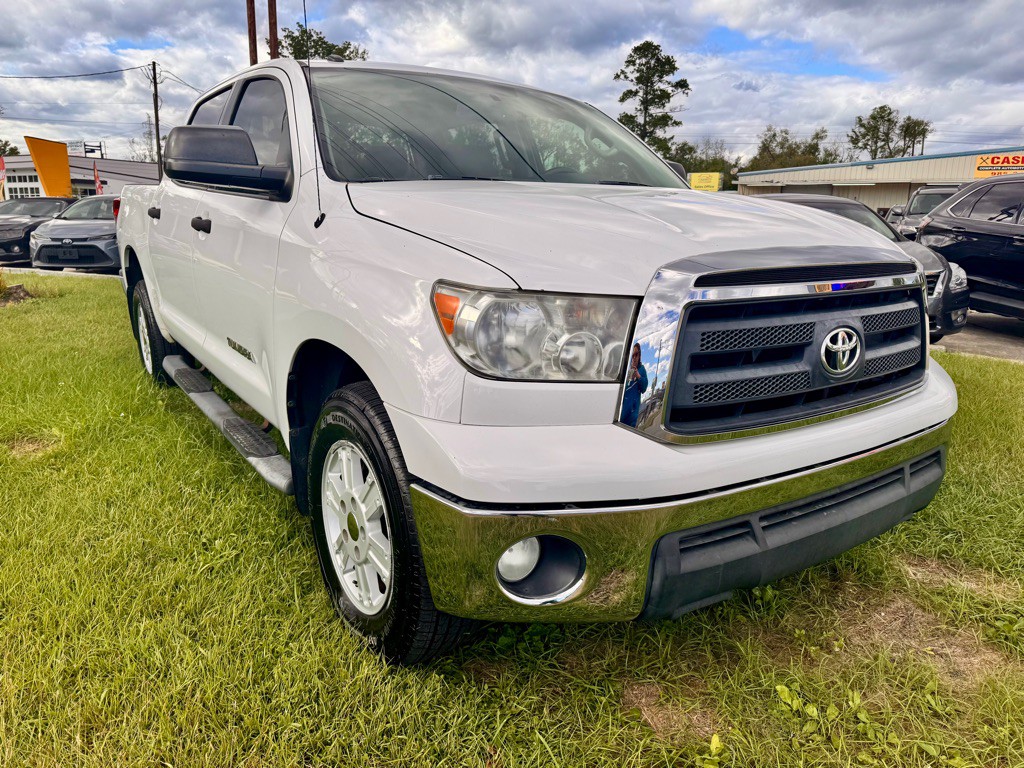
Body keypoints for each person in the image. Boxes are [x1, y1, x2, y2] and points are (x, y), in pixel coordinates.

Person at [619, 342, 648, 428]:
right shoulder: (626, 370)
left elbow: (644, 388)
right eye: (632, 355)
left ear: (639, 355)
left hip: (632, 415)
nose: (634, 357)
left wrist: (638, 375)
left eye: (636, 354)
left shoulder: (642, 370)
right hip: (621, 413)